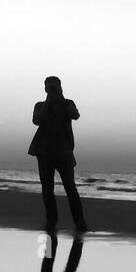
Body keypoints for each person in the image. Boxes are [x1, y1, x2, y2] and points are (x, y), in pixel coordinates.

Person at [28, 75, 88, 232]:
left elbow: (75, 115)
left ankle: (79, 221)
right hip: (44, 153)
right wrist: (49, 102)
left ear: (61, 87)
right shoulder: (40, 105)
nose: (52, 89)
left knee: (70, 188)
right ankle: (51, 220)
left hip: (64, 153)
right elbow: (37, 120)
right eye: (49, 87)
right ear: (45, 89)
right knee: (47, 189)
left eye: (55, 87)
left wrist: (60, 98)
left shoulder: (68, 103)